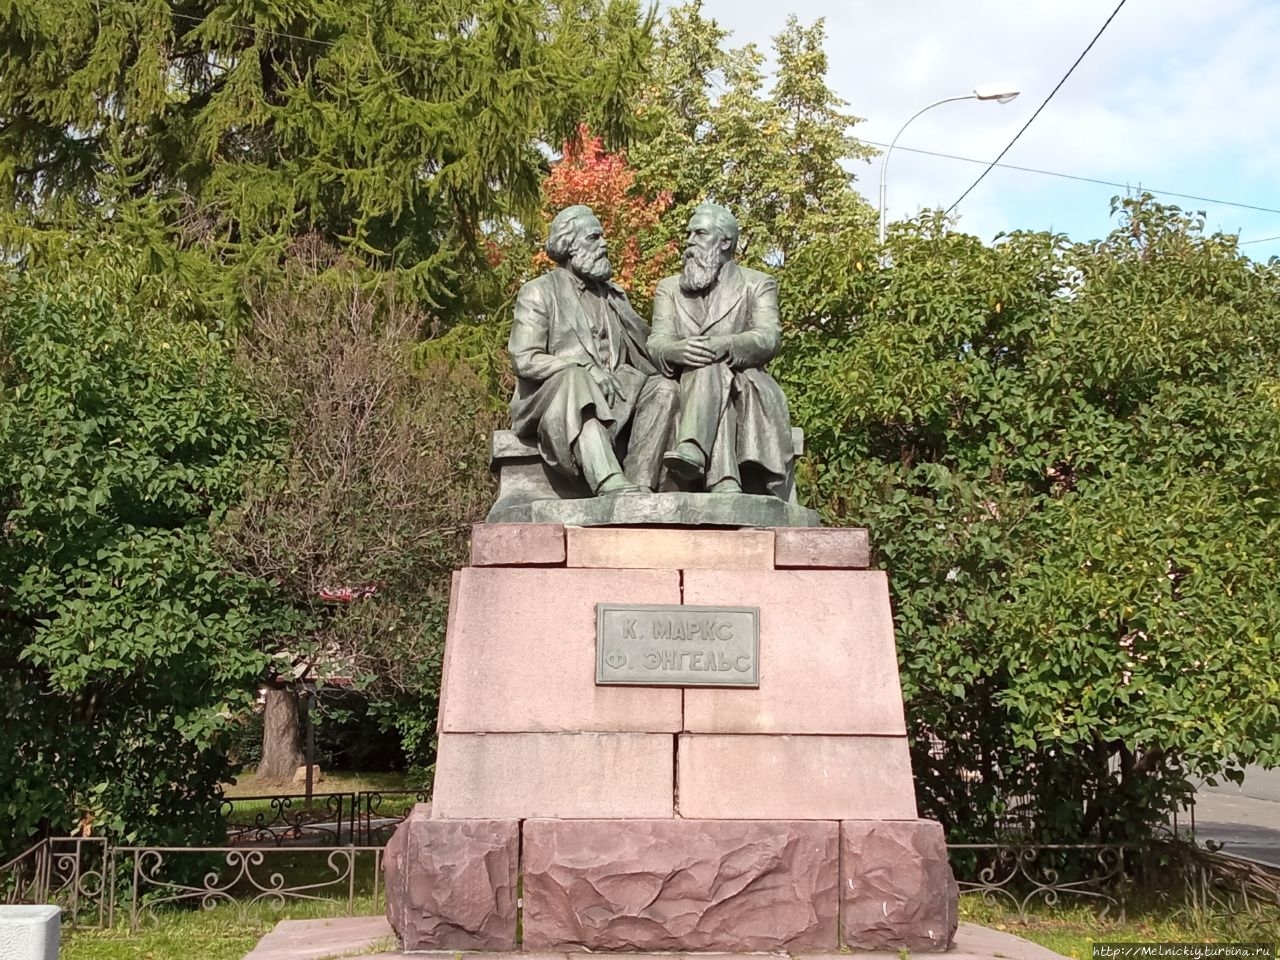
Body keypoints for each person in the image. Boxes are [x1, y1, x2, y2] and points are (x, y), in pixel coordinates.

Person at [508, 205, 677, 495]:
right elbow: (525, 359)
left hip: (614, 394)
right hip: (552, 399)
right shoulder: (539, 291)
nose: (604, 244)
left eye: (602, 237)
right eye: (594, 238)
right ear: (568, 246)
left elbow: (645, 354)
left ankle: (638, 486)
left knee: (665, 387)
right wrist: (584, 369)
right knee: (577, 379)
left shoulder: (613, 296)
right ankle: (608, 481)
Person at [648, 203, 794, 496]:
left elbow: (768, 338)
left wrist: (723, 346)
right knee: (705, 368)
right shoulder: (669, 288)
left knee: (712, 368)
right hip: (680, 382)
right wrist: (678, 351)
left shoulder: (757, 284)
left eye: (699, 233)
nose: (689, 241)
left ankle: (693, 450)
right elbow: (657, 341)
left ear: (725, 241)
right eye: (689, 233)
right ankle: (723, 480)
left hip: (744, 381)